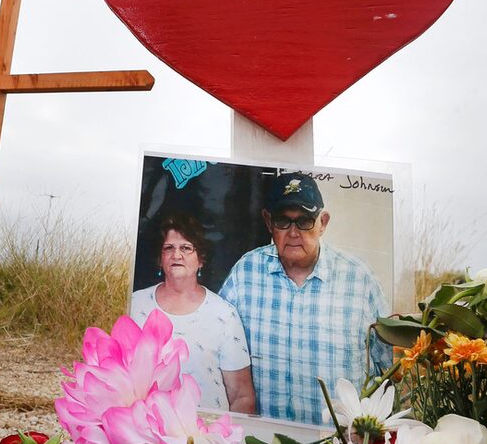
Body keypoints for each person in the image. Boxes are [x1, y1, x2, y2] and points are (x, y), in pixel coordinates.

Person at [219, 172, 392, 426]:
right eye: (282, 221)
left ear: (323, 222)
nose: (293, 232)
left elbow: (388, 369)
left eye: (305, 221)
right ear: (268, 222)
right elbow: (220, 354)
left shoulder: (360, 279)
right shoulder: (245, 273)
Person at [131, 212, 256, 413]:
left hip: (205, 436)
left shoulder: (224, 314)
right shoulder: (135, 304)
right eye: (168, 248)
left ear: (201, 260)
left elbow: (242, 396)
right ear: (160, 259)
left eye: (186, 248)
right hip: (147, 431)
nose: (176, 255)